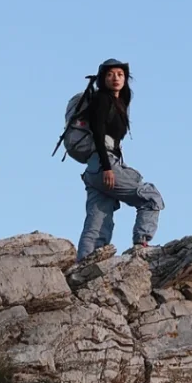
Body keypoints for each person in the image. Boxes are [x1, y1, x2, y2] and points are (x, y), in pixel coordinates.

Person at [76, 59, 164, 261]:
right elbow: (98, 132)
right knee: (151, 197)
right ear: (102, 79)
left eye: (120, 74)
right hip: (104, 164)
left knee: (97, 220)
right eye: (110, 74)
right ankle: (141, 243)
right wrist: (107, 168)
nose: (115, 78)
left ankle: (85, 263)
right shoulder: (102, 99)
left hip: (93, 170)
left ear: (125, 78)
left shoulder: (119, 102)